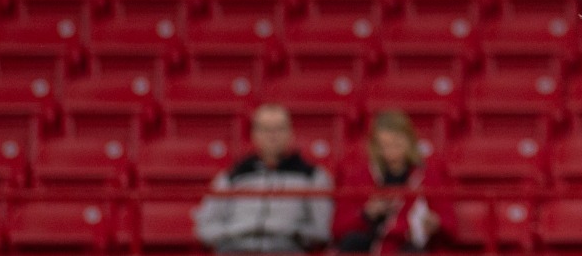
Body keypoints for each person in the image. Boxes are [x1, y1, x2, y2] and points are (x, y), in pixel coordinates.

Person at [192, 105, 333, 254]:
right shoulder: (232, 176)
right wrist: (237, 231)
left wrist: (291, 231)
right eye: (265, 129)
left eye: (279, 128)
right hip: (237, 249)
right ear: (254, 134)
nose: (272, 135)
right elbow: (204, 228)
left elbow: (322, 230)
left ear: (291, 132)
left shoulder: (312, 176)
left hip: (285, 250)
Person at [332, 111, 453, 254]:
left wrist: (434, 223)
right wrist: (367, 214)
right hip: (369, 245)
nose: (391, 152)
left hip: (408, 247)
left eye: (396, 144)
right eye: (384, 145)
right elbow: (338, 228)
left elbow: (450, 225)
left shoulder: (427, 176)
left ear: (409, 141)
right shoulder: (359, 176)